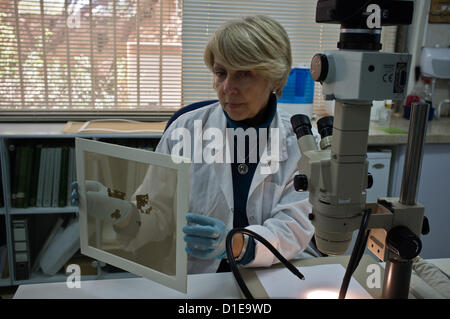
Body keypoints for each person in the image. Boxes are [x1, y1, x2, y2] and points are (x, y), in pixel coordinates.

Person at [73, 15, 319, 275]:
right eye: (221, 73)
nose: (228, 88)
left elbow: (293, 226)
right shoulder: (185, 130)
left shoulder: (301, 142)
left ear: (276, 79)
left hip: (276, 272)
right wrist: (121, 212)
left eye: (244, 74)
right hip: (200, 276)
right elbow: (155, 211)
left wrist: (235, 244)